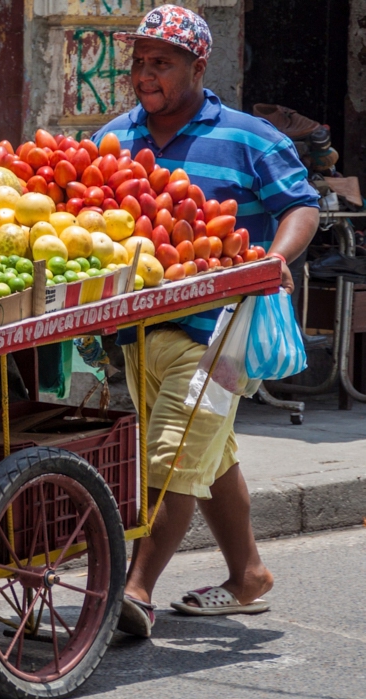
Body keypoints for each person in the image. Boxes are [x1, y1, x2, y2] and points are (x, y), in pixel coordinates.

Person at [93, 5, 320, 638]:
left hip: (218, 334)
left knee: (170, 457)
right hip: (138, 335)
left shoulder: (250, 137)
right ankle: (248, 576)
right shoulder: (115, 138)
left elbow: (300, 206)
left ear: (198, 67)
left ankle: (134, 591)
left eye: (160, 63)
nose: (144, 75)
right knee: (208, 456)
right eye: (138, 63)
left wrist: (275, 258)